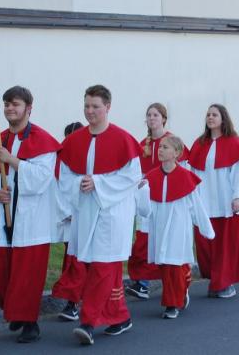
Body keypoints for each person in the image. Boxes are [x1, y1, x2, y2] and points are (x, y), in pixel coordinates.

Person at [0, 86, 64, 343]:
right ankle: (13, 310)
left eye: (15, 104)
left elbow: (41, 179)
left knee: (27, 276)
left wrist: (13, 160)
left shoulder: (43, 141)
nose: (9, 109)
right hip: (0, 217)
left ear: (28, 108)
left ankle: (29, 323)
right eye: (6, 104)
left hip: (30, 219)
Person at [58, 85, 144, 345]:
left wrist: (98, 183)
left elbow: (131, 176)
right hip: (86, 210)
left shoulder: (124, 139)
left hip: (113, 212)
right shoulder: (74, 141)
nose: (90, 111)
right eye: (86, 105)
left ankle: (88, 321)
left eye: (95, 106)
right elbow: (65, 177)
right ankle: (119, 317)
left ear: (108, 107)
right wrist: (79, 184)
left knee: (104, 267)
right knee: (94, 265)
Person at [146, 134, 216, 319]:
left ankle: (172, 304)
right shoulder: (151, 177)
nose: (160, 150)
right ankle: (180, 294)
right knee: (165, 265)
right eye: (160, 146)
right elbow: (145, 206)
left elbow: (197, 207)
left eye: (166, 147)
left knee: (175, 265)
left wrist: (206, 229)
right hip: (159, 226)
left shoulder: (185, 177)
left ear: (176, 153)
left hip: (178, 226)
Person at [126, 103, 189, 300]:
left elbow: (184, 170)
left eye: (155, 115)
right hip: (147, 198)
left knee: (168, 242)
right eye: (149, 115)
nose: (151, 118)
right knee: (143, 242)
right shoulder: (142, 144)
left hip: (168, 198)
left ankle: (180, 283)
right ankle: (142, 282)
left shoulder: (172, 141)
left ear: (163, 118)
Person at [189, 104, 239, 297]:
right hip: (204, 202)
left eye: (214, 114)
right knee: (206, 244)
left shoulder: (233, 142)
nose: (210, 117)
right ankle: (215, 279)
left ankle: (224, 283)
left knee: (225, 246)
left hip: (226, 203)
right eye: (208, 114)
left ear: (223, 118)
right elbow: (193, 172)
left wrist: (238, 197)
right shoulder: (200, 143)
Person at [53, 121, 85, 322]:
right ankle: (72, 302)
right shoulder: (60, 159)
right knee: (74, 261)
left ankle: (81, 301)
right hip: (71, 217)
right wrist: (65, 211)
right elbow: (57, 187)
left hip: (91, 217)